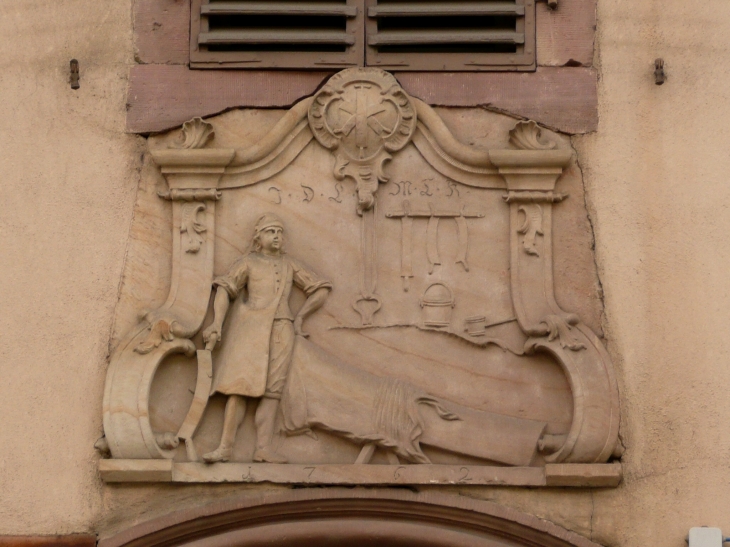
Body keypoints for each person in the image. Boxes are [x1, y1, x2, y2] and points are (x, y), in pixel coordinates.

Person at [201, 213, 331, 463]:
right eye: (271, 231)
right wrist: (216, 323)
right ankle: (225, 447)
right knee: (238, 388)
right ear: (258, 237)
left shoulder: (290, 264)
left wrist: (301, 317)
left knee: (273, 391)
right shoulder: (247, 262)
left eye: (280, 232)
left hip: (282, 329)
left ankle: (263, 448)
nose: (276, 237)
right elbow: (225, 290)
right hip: (249, 331)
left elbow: (320, 288)